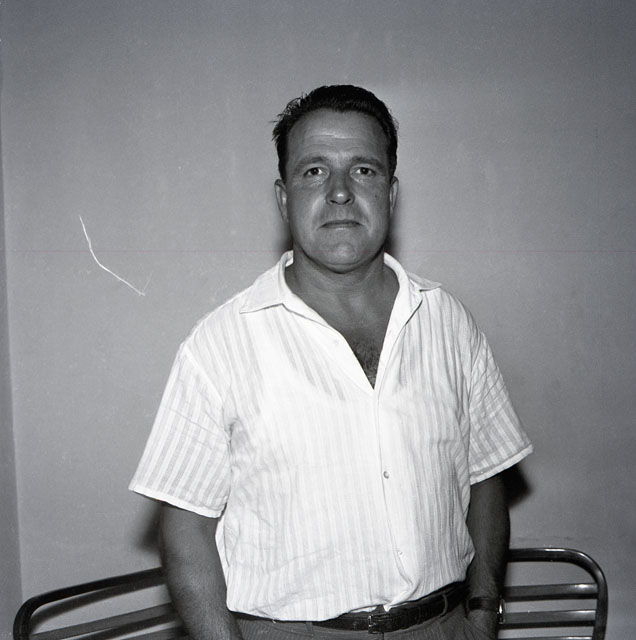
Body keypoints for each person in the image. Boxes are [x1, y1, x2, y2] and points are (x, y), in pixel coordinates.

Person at [130, 85, 532, 640]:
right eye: (314, 171)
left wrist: (483, 614)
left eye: (363, 170)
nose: (340, 192)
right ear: (283, 198)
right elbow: (185, 533)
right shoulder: (219, 345)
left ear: (391, 193)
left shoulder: (449, 324)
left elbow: (486, 479)